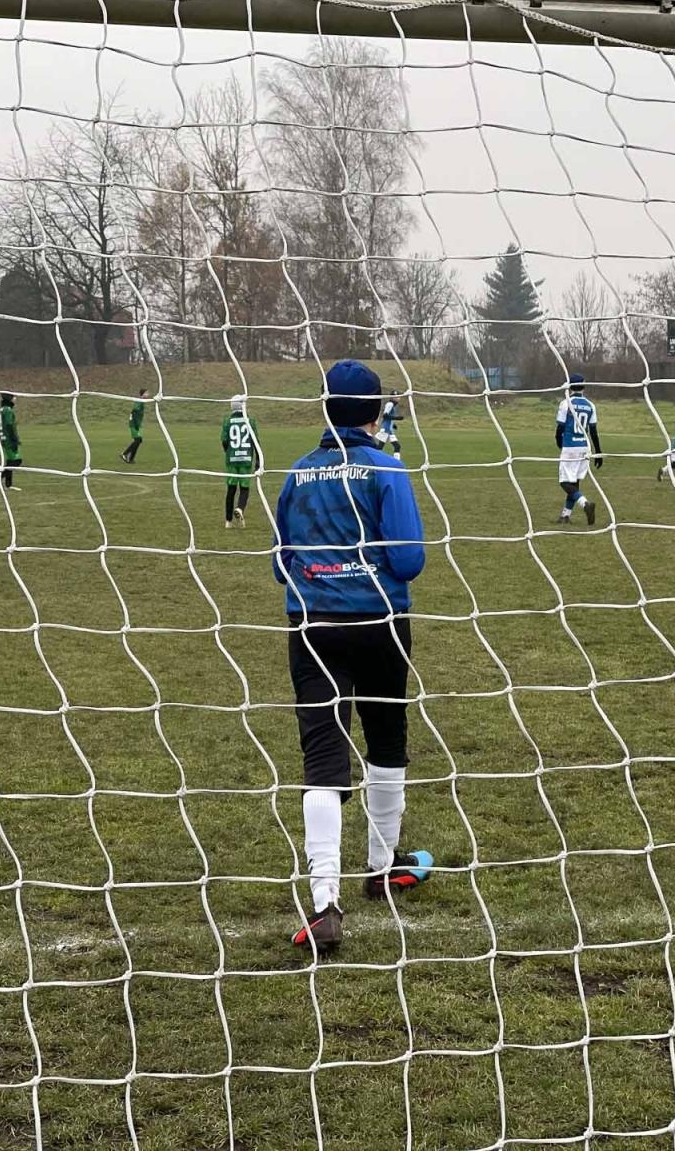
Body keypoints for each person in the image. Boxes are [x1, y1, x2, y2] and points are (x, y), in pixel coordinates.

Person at [275, 359, 432, 956]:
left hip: (312, 623)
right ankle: (381, 866)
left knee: (322, 755)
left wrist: (324, 573)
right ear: (376, 411)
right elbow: (410, 558)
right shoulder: (387, 469)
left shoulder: (296, 474)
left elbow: (278, 558)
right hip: (381, 621)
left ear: (325, 408)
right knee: (386, 739)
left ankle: (323, 904)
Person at [555, 372, 601, 525]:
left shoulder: (566, 403)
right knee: (574, 483)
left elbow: (560, 428)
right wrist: (598, 452)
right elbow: (593, 431)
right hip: (585, 447)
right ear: (584, 386)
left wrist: (559, 443)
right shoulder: (590, 405)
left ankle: (585, 504)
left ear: (570, 386)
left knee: (564, 482)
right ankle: (565, 515)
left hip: (570, 446)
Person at [221, 394, 260, 529]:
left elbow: (224, 441)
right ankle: (240, 508)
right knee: (244, 488)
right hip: (245, 459)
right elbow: (256, 442)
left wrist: (229, 452)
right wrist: (258, 461)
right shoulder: (250, 421)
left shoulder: (227, 421)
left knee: (231, 489)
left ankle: (228, 521)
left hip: (232, 460)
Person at [0, 393, 22, 491]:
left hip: (4, 437)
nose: (15, 399)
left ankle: (8, 484)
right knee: (16, 460)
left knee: (10, 461)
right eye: (13, 397)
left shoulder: (3, 409)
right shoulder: (7, 410)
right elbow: (9, 425)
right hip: (8, 439)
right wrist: (14, 438)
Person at [121, 388, 148, 464]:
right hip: (134, 424)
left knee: (138, 440)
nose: (148, 394)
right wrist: (136, 424)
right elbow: (134, 411)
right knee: (138, 440)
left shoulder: (142, 402)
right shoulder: (139, 401)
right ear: (143, 394)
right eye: (147, 393)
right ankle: (124, 454)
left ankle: (131, 459)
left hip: (137, 424)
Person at [379, 390, 405, 460]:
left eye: (398, 397)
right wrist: (397, 418)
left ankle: (397, 462)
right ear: (392, 397)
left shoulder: (392, 405)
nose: (398, 398)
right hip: (386, 429)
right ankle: (375, 460)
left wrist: (393, 425)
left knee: (397, 446)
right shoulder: (390, 404)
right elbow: (385, 416)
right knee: (379, 447)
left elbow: (388, 418)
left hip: (389, 430)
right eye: (396, 397)